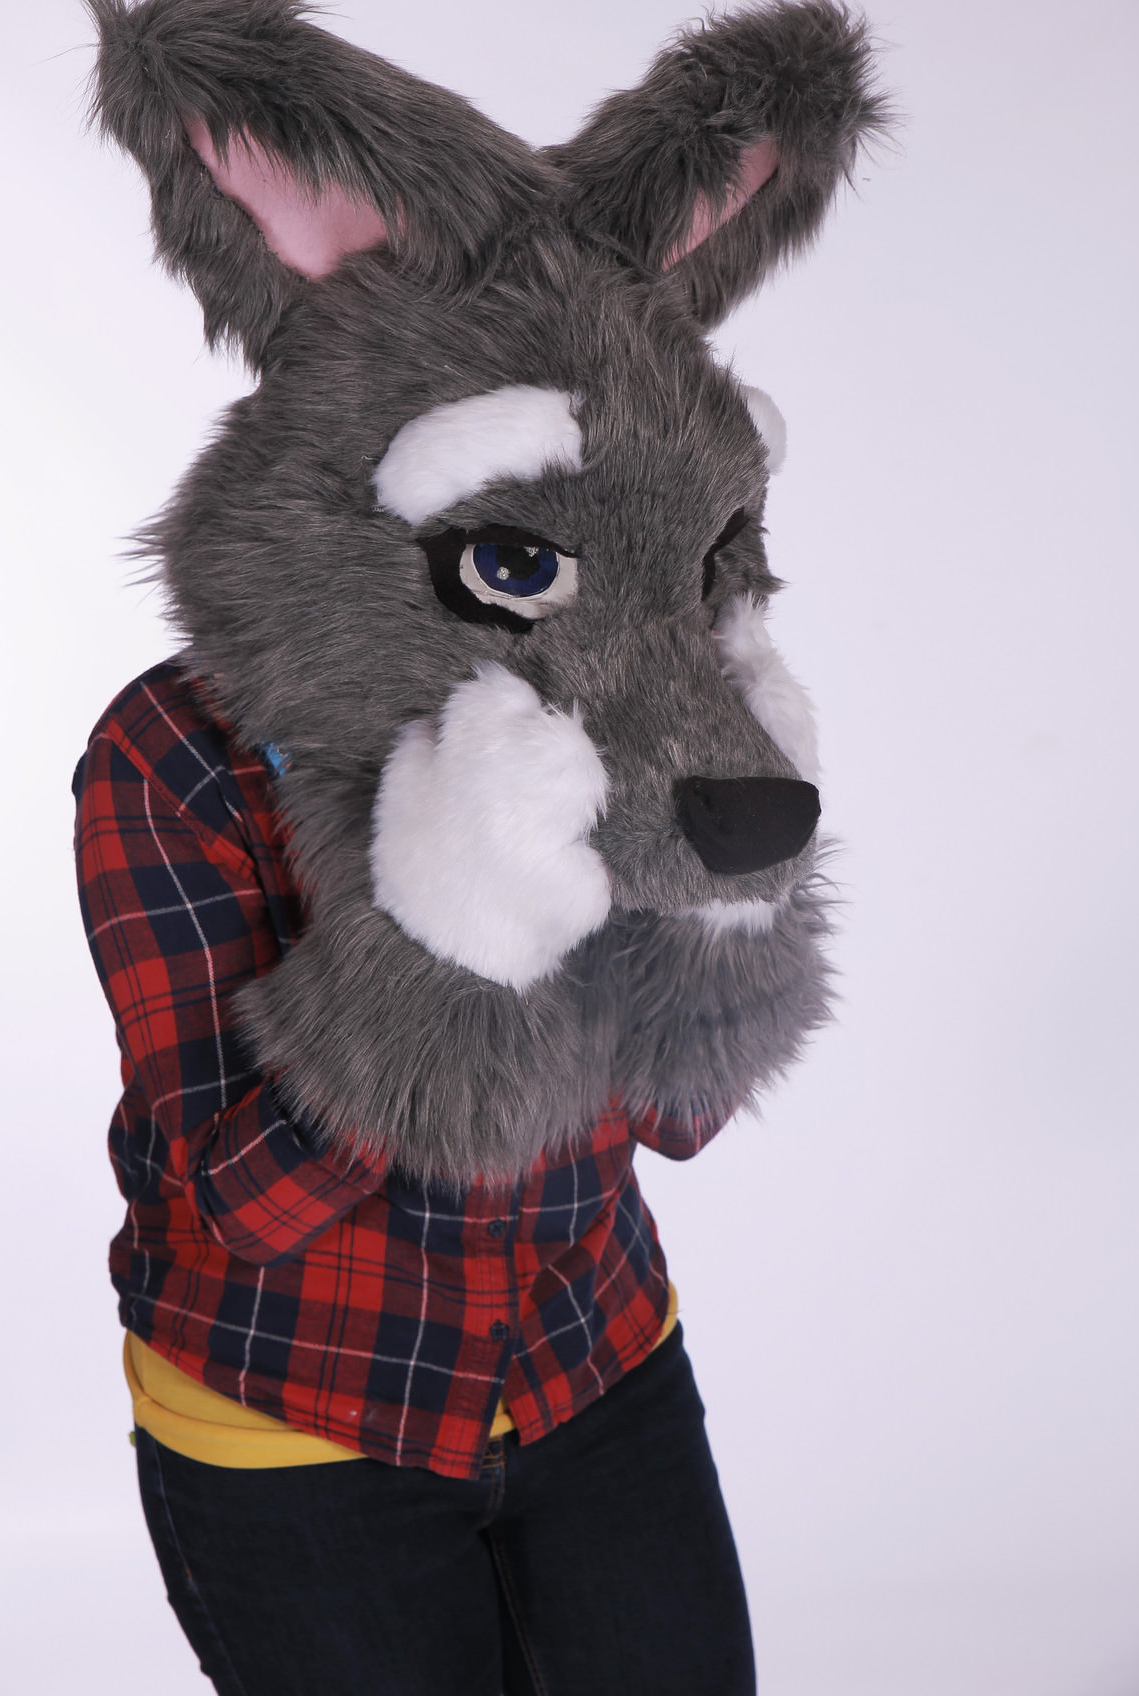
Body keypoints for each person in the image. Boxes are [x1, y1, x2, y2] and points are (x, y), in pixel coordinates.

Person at [74, 655, 757, 1696]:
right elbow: (245, 1204)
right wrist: (446, 937)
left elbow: (683, 1115)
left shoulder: (602, 686)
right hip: (302, 1422)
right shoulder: (175, 747)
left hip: (592, 1363)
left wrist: (724, 867)